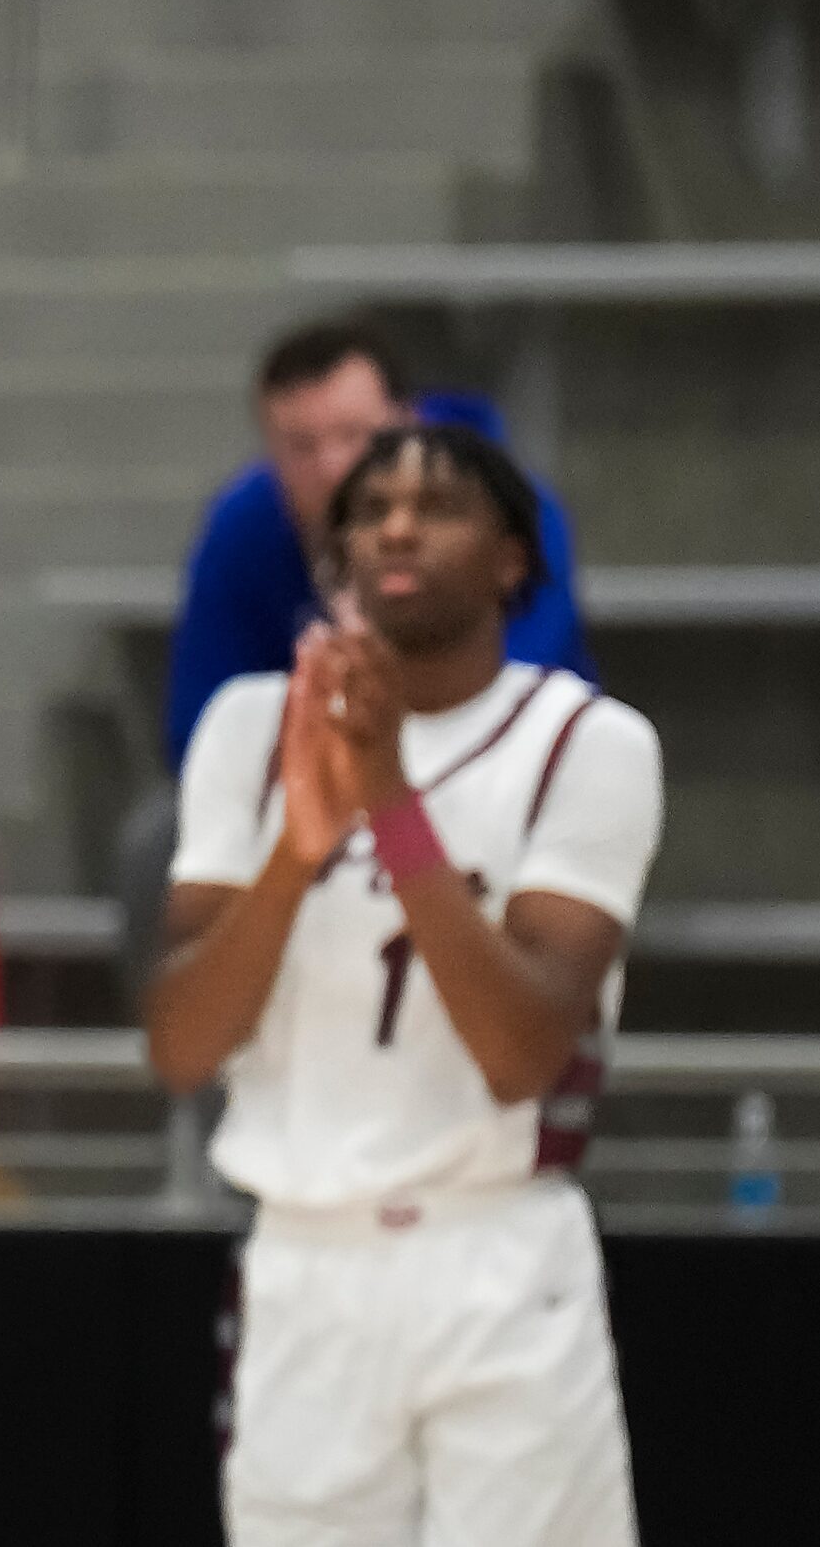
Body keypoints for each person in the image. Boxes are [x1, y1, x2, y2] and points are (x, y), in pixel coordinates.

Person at [147, 423, 662, 1547]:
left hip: (498, 1255)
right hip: (305, 1255)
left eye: (438, 505)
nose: (395, 524)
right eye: (369, 505)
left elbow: (523, 1052)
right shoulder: (246, 731)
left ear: (514, 559)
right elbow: (182, 1047)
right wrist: (298, 848)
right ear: (332, 562)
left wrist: (389, 796)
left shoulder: (590, 743)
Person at [165, 318, 593, 772]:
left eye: (355, 436)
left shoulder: (508, 510)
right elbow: (201, 724)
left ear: (410, 421)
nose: (333, 468)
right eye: (302, 446)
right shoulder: (243, 525)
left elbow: (523, 681)